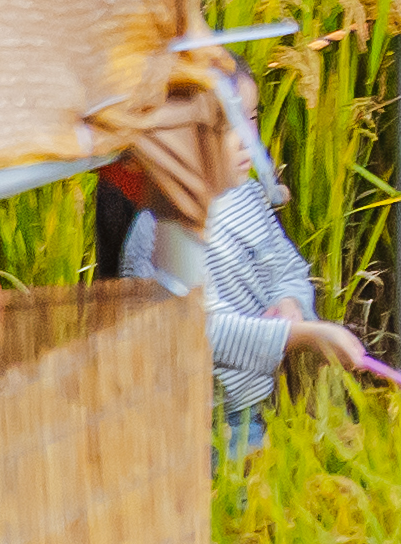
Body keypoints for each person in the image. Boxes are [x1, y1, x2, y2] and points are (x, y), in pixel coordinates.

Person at [96, 57, 373, 455]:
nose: (247, 139)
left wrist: (290, 301)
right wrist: (300, 336)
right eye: (227, 127)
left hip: (247, 416)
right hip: (185, 430)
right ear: (178, 141)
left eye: (252, 118)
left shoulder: (246, 198)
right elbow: (195, 329)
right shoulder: (166, 228)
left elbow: (285, 266)